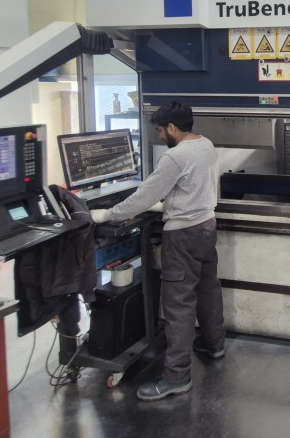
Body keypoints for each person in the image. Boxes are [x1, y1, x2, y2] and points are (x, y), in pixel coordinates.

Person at [90, 102, 225, 402]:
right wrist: (165, 204)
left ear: (172, 128)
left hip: (183, 235)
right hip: (206, 226)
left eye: (161, 131)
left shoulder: (175, 157)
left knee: (178, 305)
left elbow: (143, 196)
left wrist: (106, 215)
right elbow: (190, 187)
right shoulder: (205, 144)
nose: (161, 136)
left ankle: (177, 377)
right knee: (208, 289)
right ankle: (214, 344)